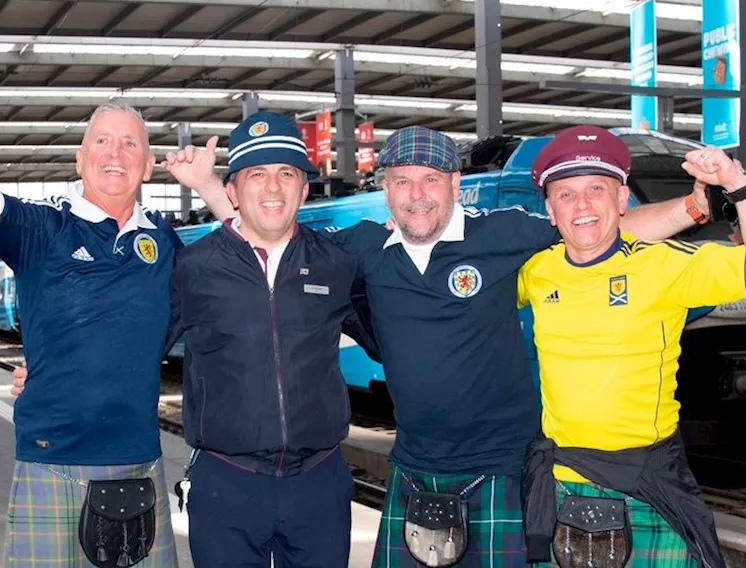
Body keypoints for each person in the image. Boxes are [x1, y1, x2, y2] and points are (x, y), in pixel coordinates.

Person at [128, 124, 710, 566]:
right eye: (402, 182)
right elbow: (266, 227)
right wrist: (209, 185)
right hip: (415, 466)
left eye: (432, 180)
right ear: (385, 191)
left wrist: (695, 206)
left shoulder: (502, 232)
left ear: (455, 184)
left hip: (503, 469)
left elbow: (597, 228)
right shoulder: (356, 248)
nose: (418, 195)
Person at [0, 62, 225, 568]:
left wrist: (211, 188)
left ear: (148, 166)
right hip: (50, 461)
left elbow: (253, 262)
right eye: (102, 141)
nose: (115, 153)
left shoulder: (165, 244)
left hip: (139, 464)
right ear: (80, 159)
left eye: (130, 144)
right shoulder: (40, 227)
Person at [517, 127, 746, 568]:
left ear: (622, 199)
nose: (582, 204)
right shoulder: (536, 270)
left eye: (596, 190)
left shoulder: (664, 264)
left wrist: (737, 185)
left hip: (645, 479)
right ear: (550, 210)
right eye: (566, 195)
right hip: (561, 481)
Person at [165, 111, 379, 567]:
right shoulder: (194, 268)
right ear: (232, 191)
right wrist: (50, 379)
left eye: (287, 173)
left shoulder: (335, 264)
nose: (273, 187)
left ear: (304, 188)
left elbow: (392, 343)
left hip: (318, 483)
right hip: (227, 482)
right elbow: (135, 351)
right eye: (256, 174)